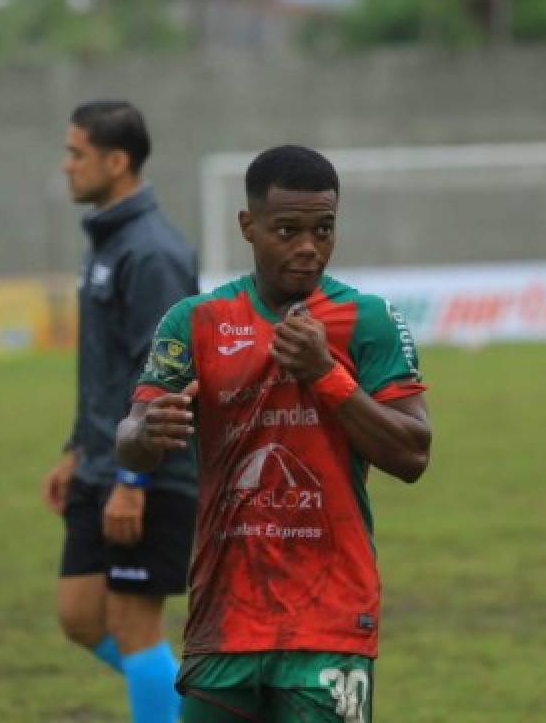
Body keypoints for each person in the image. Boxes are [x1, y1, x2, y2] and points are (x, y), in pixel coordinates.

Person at [116, 144, 433, 722]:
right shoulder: (197, 320)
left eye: (323, 229)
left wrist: (324, 375)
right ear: (249, 226)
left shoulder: (368, 320)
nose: (308, 247)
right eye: (288, 229)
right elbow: (133, 432)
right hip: (224, 616)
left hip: (330, 619)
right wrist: (146, 432)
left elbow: (413, 454)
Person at [40, 100, 199, 723]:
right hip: (101, 464)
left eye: (76, 153)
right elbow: (106, 371)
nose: (66, 166)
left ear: (117, 161)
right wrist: (78, 449)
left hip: (149, 471)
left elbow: (164, 374)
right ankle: (200, 707)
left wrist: (134, 481)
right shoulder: (108, 242)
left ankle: (192, 709)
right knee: (80, 615)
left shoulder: (152, 253)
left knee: (136, 625)